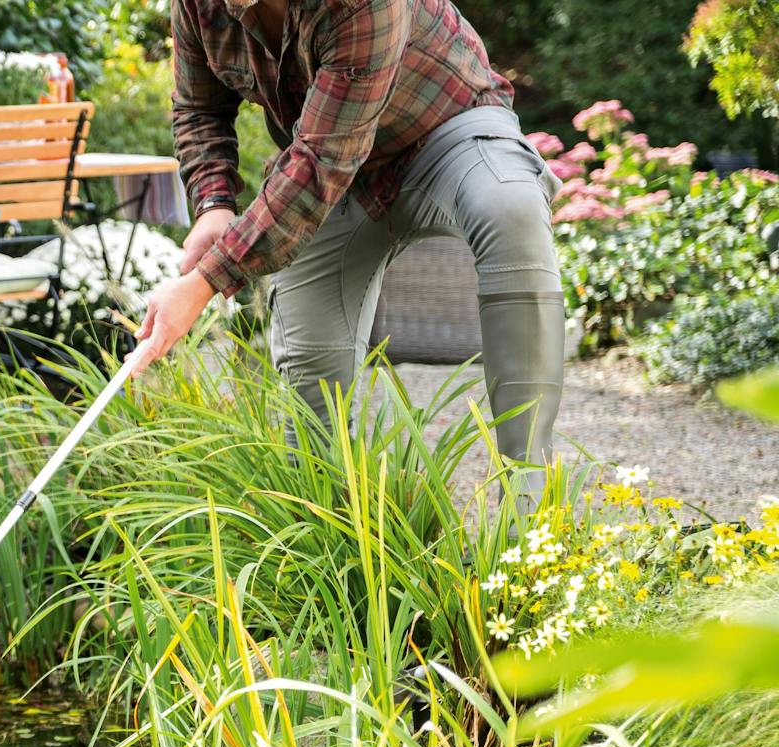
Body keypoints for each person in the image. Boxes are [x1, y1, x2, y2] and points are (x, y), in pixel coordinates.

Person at [132, 0, 565, 491]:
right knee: (309, 374)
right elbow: (198, 108)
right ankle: (326, 539)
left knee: (511, 208)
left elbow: (322, 161)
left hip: (445, 128)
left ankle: (530, 519)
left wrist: (206, 280)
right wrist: (213, 205)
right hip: (331, 170)